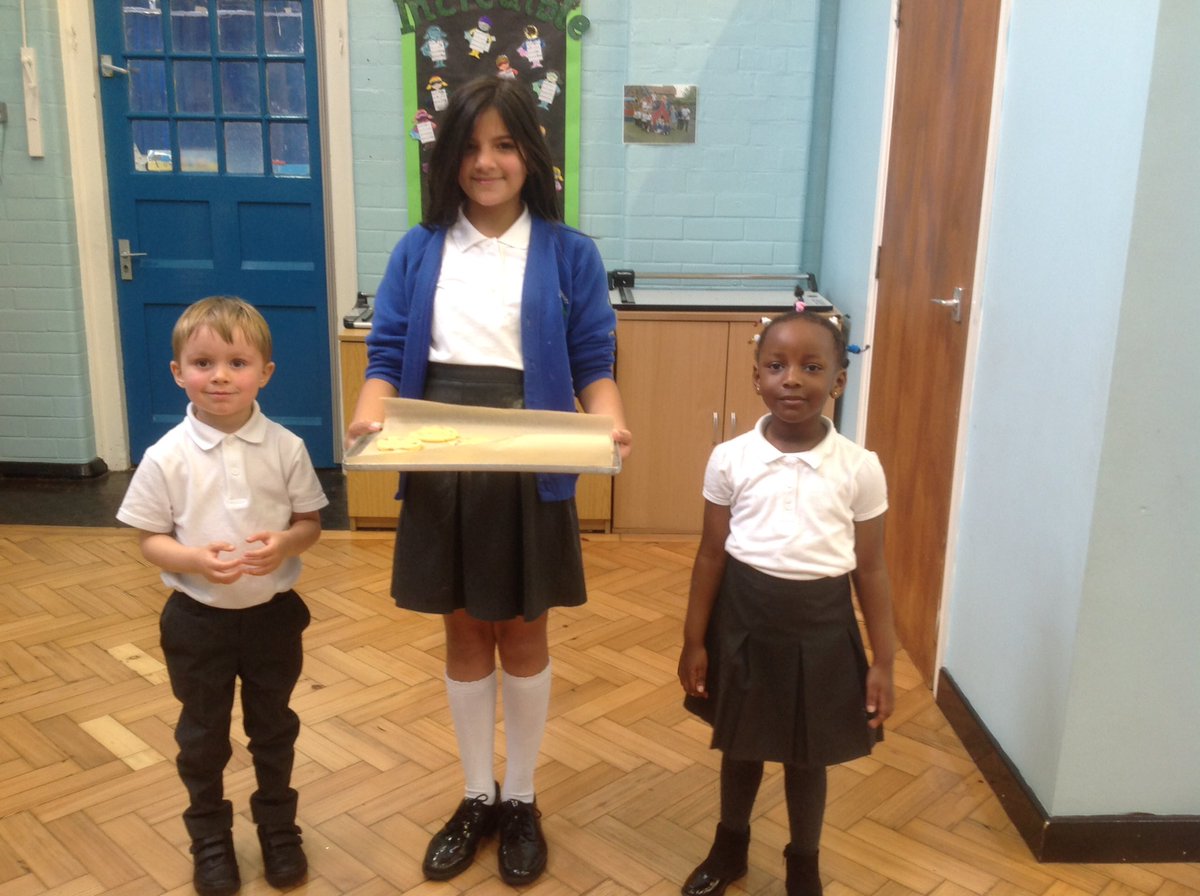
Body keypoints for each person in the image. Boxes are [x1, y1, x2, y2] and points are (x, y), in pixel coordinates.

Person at [346, 75, 632, 887]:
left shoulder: (569, 252)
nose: (487, 161)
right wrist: (371, 416)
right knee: (466, 630)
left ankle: (523, 797)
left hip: (529, 453)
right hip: (441, 453)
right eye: (471, 146)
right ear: (450, 159)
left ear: (530, 155)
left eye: (504, 144)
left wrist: (607, 420)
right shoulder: (419, 247)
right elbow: (385, 356)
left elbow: (592, 364)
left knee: (525, 631)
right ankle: (476, 794)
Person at [677, 310, 897, 896]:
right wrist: (693, 640)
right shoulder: (731, 458)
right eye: (777, 366)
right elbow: (710, 556)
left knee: (808, 759)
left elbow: (871, 570)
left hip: (822, 631)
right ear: (756, 377)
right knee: (741, 748)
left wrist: (883, 661)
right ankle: (730, 849)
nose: (792, 379)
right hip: (744, 623)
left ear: (839, 381)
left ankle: (805, 863)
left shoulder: (860, 468)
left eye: (811, 366)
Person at [117, 296, 328, 896]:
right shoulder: (166, 457)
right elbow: (149, 540)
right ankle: (209, 837)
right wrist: (193, 560)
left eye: (237, 362)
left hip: (273, 619)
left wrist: (286, 544)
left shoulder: (286, 447)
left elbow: (310, 523)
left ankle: (277, 829)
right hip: (195, 621)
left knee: (274, 728)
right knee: (203, 735)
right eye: (203, 362)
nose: (220, 376)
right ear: (178, 372)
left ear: (265, 373)